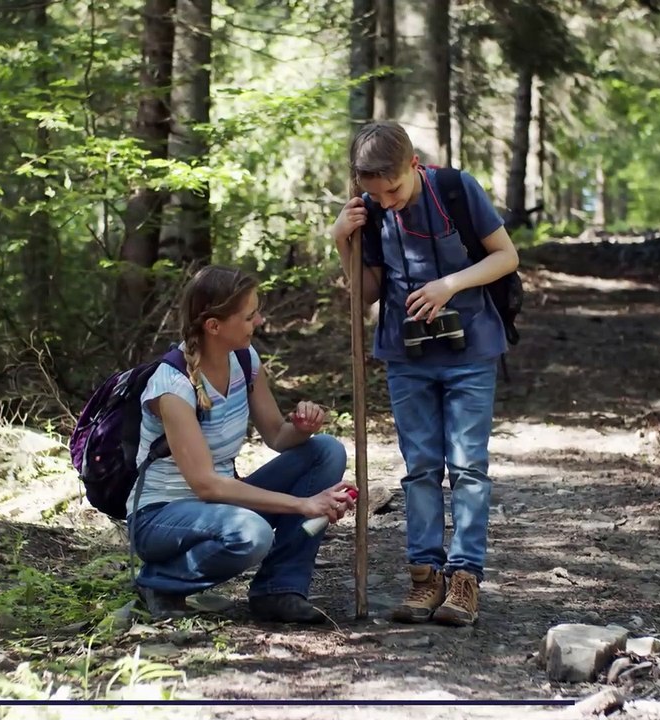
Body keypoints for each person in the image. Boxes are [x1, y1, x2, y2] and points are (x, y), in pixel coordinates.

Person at [331, 121, 519, 627]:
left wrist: (448, 286)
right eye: (375, 193)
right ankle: (424, 578)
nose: (387, 201)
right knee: (419, 467)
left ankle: (465, 580)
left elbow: (506, 256)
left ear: (414, 165)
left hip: (471, 347)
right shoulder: (369, 210)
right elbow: (364, 294)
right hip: (406, 355)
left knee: (467, 466)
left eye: (393, 189)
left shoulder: (456, 189)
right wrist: (341, 241)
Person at [128, 265, 358, 624]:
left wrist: (301, 427)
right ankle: (160, 583)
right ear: (214, 326)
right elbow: (206, 485)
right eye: (249, 316)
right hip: (160, 517)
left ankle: (278, 590)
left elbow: (277, 437)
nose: (260, 320)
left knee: (325, 450)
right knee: (252, 534)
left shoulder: (244, 359)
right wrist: (303, 505)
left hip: (219, 506)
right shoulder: (172, 386)